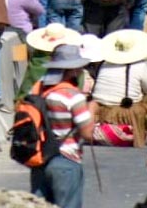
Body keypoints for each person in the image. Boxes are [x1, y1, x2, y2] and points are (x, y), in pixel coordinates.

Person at [28, 44, 94, 208]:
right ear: (72, 70)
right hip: (66, 159)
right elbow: (88, 133)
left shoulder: (37, 90)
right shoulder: (72, 96)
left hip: (39, 158)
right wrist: (92, 108)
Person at [91, 29, 147, 147]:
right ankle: (146, 132)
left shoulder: (104, 64)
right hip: (127, 111)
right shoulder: (139, 66)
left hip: (103, 108)